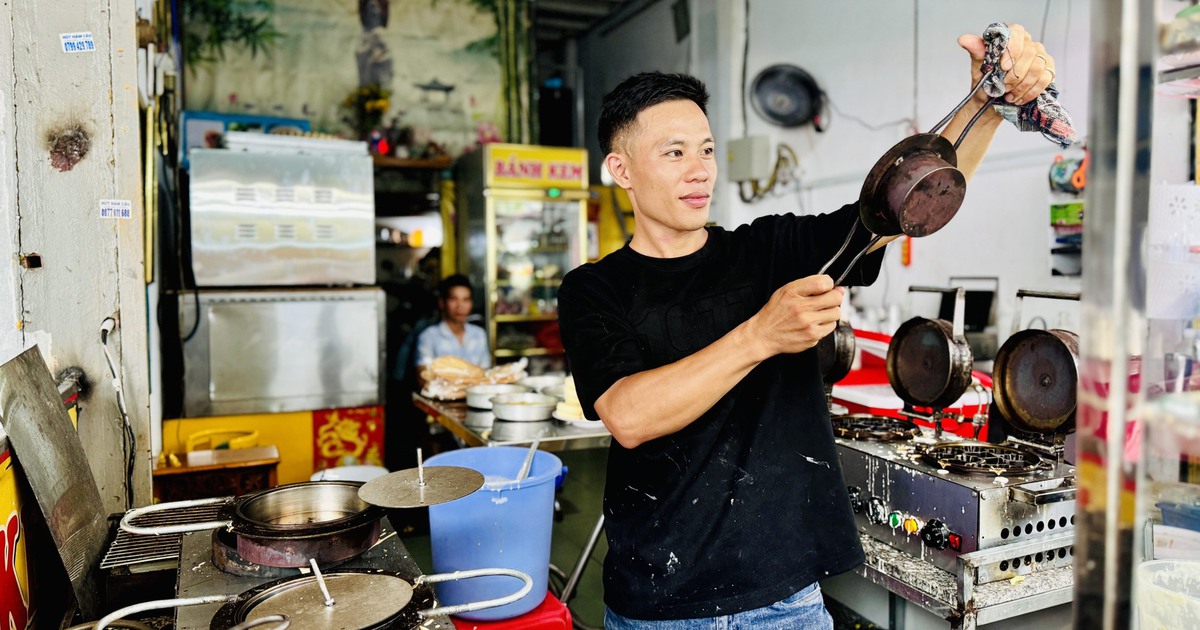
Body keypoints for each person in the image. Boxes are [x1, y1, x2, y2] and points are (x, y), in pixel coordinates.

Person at [557, 25, 1057, 629]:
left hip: (786, 600)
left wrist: (986, 104)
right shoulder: (595, 289)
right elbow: (629, 417)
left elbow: (901, 208)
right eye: (674, 152)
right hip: (663, 604)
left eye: (707, 149)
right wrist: (759, 337)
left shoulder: (768, 250)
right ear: (622, 169)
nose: (699, 171)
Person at [415, 274, 491, 373]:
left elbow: (486, 372)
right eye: (453, 299)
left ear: (471, 304)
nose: (460, 306)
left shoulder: (479, 334)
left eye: (466, 300)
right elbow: (423, 375)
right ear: (442, 303)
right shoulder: (428, 337)